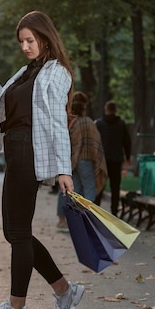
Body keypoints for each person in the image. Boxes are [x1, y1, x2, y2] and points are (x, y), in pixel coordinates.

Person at [0, 11, 84, 309]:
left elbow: (56, 122)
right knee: (15, 231)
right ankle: (64, 290)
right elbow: (0, 101)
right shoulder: (25, 71)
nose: (25, 46)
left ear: (45, 38)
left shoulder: (56, 72)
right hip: (15, 149)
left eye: (30, 40)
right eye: (21, 41)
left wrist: (64, 169)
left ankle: (17, 306)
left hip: (29, 151)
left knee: (18, 231)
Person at [56, 95, 108, 231]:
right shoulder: (88, 122)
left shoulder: (71, 122)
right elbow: (96, 142)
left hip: (73, 160)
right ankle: (86, 219)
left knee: (73, 191)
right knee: (90, 188)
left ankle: (65, 220)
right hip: (86, 159)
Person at [95, 101, 132, 216]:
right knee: (115, 188)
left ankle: (96, 212)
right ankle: (114, 212)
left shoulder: (99, 124)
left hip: (102, 161)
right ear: (115, 111)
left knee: (100, 186)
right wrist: (128, 156)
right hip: (116, 160)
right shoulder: (121, 124)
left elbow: (95, 142)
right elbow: (127, 142)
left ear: (106, 110)